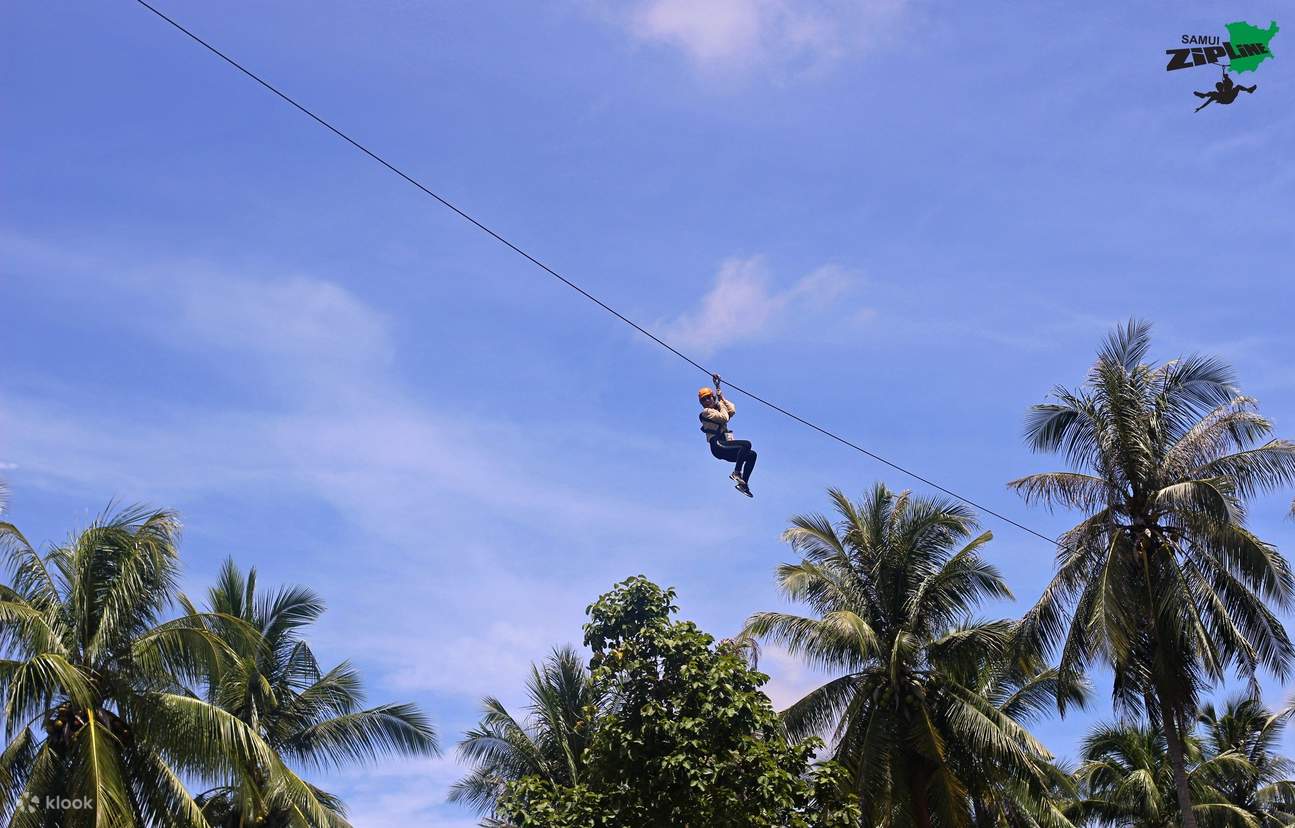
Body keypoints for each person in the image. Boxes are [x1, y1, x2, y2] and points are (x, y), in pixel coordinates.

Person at [698, 374, 756, 497]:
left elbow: (732, 410)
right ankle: (736, 473)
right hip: (717, 445)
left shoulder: (718, 407)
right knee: (746, 444)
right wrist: (719, 403)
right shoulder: (706, 412)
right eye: (704, 399)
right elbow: (724, 417)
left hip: (725, 445)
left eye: (709, 397)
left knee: (751, 455)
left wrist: (720, 394)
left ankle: (744, 484)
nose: (707, 401)